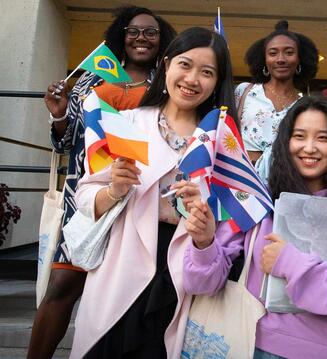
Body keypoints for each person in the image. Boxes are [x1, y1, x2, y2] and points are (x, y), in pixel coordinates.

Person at [69, 27, 236, 358]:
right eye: (185, 65)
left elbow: (232, 220)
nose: (192, 79)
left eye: (207, 72)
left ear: (217, 82)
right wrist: (114, 189)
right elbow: (85, 198)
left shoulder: (222, 144)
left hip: (179, 273)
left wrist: (204, 228)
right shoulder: (126, 122)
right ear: (166, 63)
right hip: (120, 265)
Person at [183, 96, 327, 358]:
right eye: (299, 136)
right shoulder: (258, 202)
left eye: (323, 138)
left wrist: (288, 260)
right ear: (285, 143)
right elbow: (201, 284)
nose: (309, 147)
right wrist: (204, 243)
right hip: (252, 343)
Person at [29, 6, 176, 358]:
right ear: (120, 36)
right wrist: (61, 114)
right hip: (90, 195)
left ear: (162, 40)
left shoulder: (166, 82)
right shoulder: (90, 80)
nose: (142, 38)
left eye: (151, 32)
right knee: (63, 285)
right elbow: (66, 143)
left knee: (124, 292)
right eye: (133, 31)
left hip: (140, 198)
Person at [236, 20, 318, 181]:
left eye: (289, 52)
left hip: (283, 183)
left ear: (300, 59)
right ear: (264, 59)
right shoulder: (244, 91)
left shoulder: (305, 105)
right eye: (273, 53)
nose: (281, 59)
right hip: (242, 181)